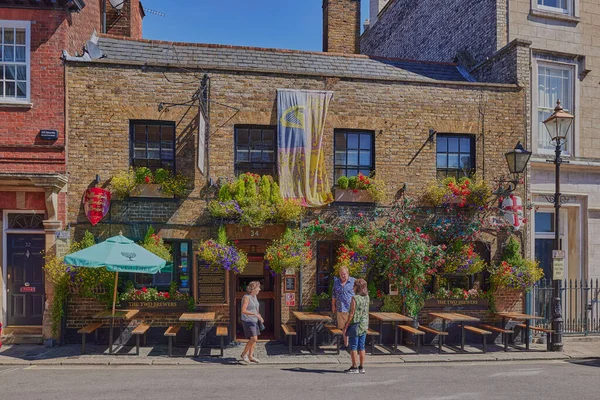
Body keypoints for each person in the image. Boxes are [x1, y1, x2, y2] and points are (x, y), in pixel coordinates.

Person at [343, 278, 369, 374]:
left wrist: (347, 324)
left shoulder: (355, 298)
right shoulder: (367, 297)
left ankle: (354, 367)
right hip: (365, 324)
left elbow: (351, 313)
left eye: (354, 286)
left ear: (357, 288)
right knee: (361, 346)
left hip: (356, 324)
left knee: (353, 346)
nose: (353, 287)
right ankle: (361, 367)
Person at [240, 281, 263, 364]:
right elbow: (243, 310)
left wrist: (259, 316)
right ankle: (244, 354)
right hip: (247, 320)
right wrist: (254, 314)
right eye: (258, 288)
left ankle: (250, 356)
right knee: (254, 338)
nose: (259, 289)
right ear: (252, 289)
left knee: (254, 340)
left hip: (254, 321)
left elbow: (256, 308)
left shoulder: (254, 296)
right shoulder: (247, 297)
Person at [332, 266, 355, 348]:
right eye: (341, 274)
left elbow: (358, 295)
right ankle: (346, 344)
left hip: (350, 309)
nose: (343, 276)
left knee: (350, 327)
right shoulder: (336, 282)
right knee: (343, 327)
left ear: (347, 273)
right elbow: (334, 294)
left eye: (344, 274)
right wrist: (333, 305)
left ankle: (351, 345)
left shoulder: (353, 281)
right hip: (340, 308)